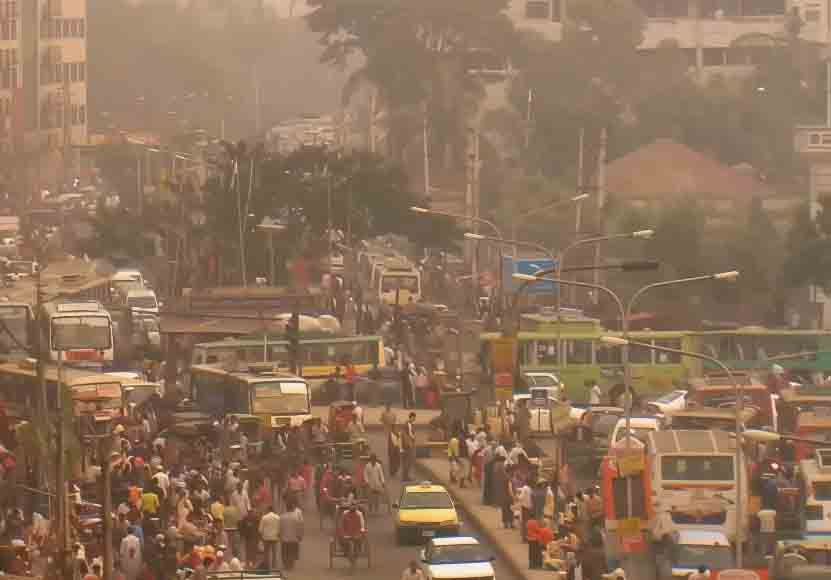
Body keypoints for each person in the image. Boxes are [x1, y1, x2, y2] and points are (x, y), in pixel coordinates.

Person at [279, 501, 304, 570]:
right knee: (292, 552)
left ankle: (286, 564)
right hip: (294, 538)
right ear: (292, 508)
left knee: (285, 552)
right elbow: (299, 527)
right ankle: (291, 564)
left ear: (286, 508)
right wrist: (300, 535)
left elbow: (280, 527)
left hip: (284, 538)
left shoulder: (282, 517)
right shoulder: (296, 517)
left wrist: (280, 535)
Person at [401, 412, 417, 481]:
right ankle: (405, 476)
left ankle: (406, 476)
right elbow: (405, 435)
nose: (414, 419)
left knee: (409, 461)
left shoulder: (411, 425)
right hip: (407, 445)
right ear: (411, 417)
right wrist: (408, 443)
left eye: (414, 418)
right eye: (413, 418)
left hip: (410, 444)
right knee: (407, 461)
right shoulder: (407, 425)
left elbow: (412, 434)